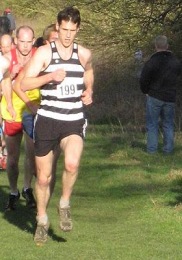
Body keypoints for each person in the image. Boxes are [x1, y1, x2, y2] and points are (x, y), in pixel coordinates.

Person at [20, 6, 94, 244]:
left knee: (71, 164)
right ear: (57, 26)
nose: (67, 35)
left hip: (73, 118)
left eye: (72, 30)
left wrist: (89, 89)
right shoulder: (44, 53)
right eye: (64, 29)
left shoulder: (83, 54)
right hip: (48, 119)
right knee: (43, 178)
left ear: (78, 29)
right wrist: (49, 77)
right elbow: (24, 84)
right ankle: (41, 220)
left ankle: (64, 203)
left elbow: (89, 72)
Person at [1, 25, 39, 210]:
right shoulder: (8, 59)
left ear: (33, 41)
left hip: (33, 108)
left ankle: (27, 188)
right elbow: (6, 83)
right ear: (16, 41)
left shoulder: (39, 55)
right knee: (13, 157)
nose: (25, 46)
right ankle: (14, 191)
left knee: (32, 153)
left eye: (28, 42)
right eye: (21, 41)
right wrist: (8, 103)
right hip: (13, 110)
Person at [140, 35, 181, 154]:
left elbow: (143, 79)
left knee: (152, 124)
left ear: (155, 46)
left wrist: (145, 91)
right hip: (170, 97)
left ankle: (152, 150)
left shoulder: (152, 62)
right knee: (168, 124)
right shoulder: (175, 62)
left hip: (154, 96)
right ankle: (168, 150)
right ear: (167, 46)